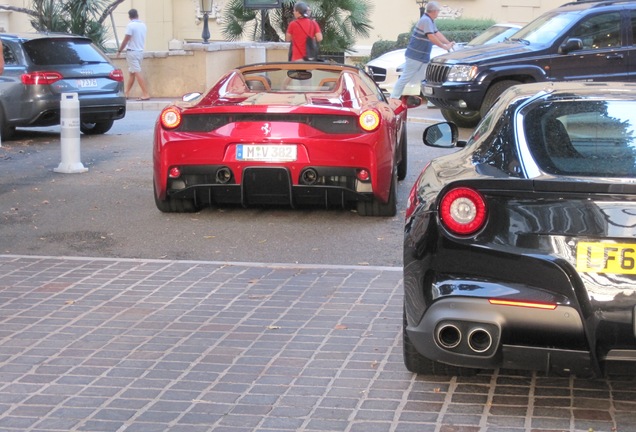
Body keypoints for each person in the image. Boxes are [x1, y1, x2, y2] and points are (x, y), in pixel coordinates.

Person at [390, 1, 454, 100]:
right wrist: (445, 47)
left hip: (422, 57)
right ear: (434, 11)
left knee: (425, 79)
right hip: (415, 56)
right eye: (438, 11)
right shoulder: (426, 20)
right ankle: (393, 98)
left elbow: (437, 33)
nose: (438, 13)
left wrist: (448, 43)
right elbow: (432, 37)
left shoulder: (430, 21)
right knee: (405, 78)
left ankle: (430, 99)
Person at [118, 9, 150, 100]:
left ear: (129, 16)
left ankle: (145, 93)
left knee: (136, 72)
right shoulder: (143, 25)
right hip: (140, 52)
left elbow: (126, 39)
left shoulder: (130, 26)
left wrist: (119, 50)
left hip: (132, 52)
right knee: (132, 73)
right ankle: (126, 93)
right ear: (137, 15)